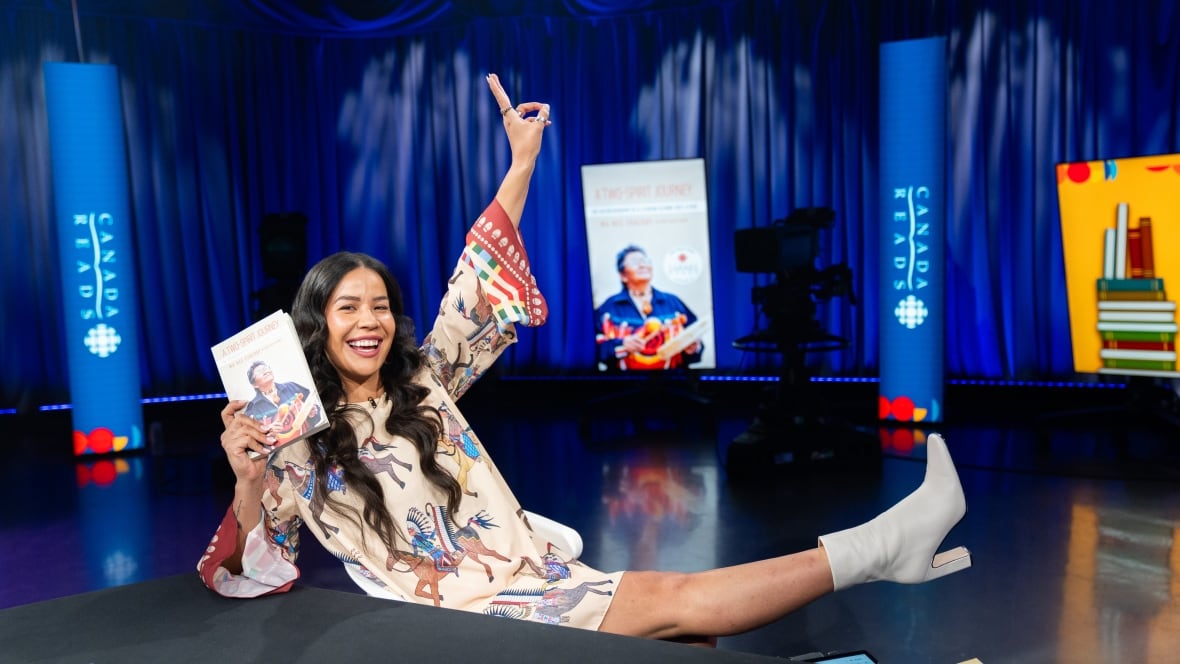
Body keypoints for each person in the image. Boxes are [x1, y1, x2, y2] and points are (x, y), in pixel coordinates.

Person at [199, 72, 971, 643]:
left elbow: (474, 284)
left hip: (531, 578)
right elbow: (252, 570)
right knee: (681, 600)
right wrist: (248, 476)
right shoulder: (290, 443)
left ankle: (885, 548)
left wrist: (522, 162)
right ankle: (881, 548)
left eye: (379, 305)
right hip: (461, 623)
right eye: (347, 308)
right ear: (315, 325)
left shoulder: (423, 382)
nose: (369, 321)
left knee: (689, 637)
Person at [594, 245, 705, 370]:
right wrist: (621, 345)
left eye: (645, 261)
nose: (642, 265)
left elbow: (696, 342)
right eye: (635, 262)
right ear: (623, 275)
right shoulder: (610, 307)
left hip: (671, 383)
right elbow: (593, 349)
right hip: (624, 385)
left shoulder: (673, 303)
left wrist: (692, 348)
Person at [242, 360, 323, 437]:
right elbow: (251, 437)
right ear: (254, 384)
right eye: (259, 371)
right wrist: (267, 430)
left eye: (266, 368)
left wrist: (313, 414)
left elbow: (317, 407)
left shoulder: (292, 387)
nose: (265, 371)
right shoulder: (253, 408)